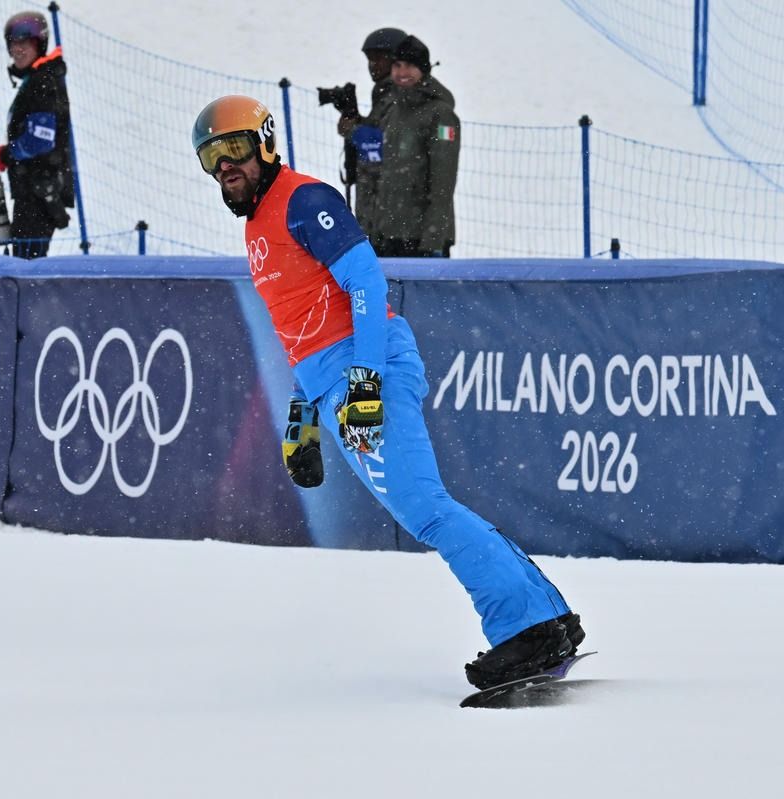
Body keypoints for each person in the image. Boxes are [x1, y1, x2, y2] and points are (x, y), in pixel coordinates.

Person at [191, 95, 584, 690]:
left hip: (365, 368)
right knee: (426, 506)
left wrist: (365, 381)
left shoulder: (304, 200)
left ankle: (526, 629)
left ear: (266, 143)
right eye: (212, 157)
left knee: (425, 508)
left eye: (236, 149)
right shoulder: (257, 226)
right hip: (335, 380)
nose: (226, 166)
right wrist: (302, 416)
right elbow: (302, 327)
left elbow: (367, 285)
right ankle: (544, 619)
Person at [0, 12, 74, 260]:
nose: (17, 50)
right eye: (13, 43)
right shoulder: (37, 78)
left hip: (39, 192)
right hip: (34, 188)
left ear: (39, 44)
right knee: (25, 260)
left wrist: (5, 155)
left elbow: (39, 141)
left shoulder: (42, 82)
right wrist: (5, 151)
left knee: (26, 265)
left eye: (25, 43)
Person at [372, 35, 459, 258]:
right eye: (397, 65)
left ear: (423, 70)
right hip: (389, 233)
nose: (402, 72)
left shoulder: (440, 114)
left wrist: (433, 240)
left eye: (410, 66)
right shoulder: (392, 109)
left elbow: (443, 182)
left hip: (421, 238)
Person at [335, 27, 405, 237]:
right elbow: (379, 129)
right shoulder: (385, 92)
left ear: (396, 60)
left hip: (386, 207)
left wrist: (353, 130)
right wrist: (357, 120)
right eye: (370, 59)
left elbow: (386, 142)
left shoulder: (399, 95)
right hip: (377, 204)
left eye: (379, 58)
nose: (373, 65)